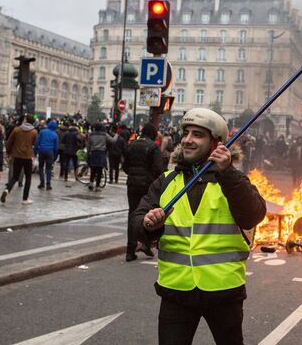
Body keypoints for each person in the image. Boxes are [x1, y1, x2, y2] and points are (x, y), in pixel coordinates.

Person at [131, 108, 267, 345]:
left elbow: (253, 215)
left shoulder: (232, 180)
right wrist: (148, 224)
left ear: (217, 144)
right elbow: (137, 221)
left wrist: (228, 174)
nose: (187, 140)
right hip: (176, 291)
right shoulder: (167, 180)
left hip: (223, 291)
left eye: (198, 134)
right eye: (186, 133)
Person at [122, 123, 163, 261]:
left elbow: (125, 166)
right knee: (147, 214)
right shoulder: (153, 147)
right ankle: (146, 243)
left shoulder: (132, 145)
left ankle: (130, 249)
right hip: (147, 184)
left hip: (132, 183)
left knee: (133, 214)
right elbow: (158, 168)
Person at [1, 114, 38, 205]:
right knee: (28, 178)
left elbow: (9, 142)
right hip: (27, 157)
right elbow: (34, 143)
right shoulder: (34, 132)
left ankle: (7, 190)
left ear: (25, 120)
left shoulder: (17, 130)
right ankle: (25, 199)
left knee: (15, 177)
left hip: (17, 156)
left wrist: (8, 153)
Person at [86, 123, 117, 191]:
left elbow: (88, 145)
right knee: (99, 170)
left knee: (93, 170)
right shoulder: (104, 134)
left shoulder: (91, 134)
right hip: (101, 153)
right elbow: (113, 141)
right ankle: (97, 186)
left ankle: (91, 183)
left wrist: (88, 154)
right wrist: (116, 135)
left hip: (93, 153)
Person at [34, 120, 59, 190]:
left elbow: (37, 142)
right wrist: (55, 157)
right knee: (49, 168)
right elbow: (56, 147)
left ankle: (42, 183)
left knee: (41, 167)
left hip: (41, 150)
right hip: (50, 152)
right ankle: (48, 184)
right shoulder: (55, 134)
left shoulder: (42, 132)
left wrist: (35, 152)